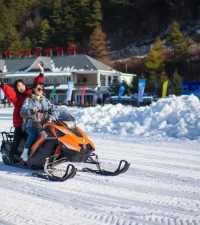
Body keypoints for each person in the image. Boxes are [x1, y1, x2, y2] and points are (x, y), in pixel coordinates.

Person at [0, 64, 45, 163]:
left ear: (25, 85)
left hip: (33, 120)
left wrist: (41, 73)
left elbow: (37, 85)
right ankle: (11, 156)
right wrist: (2, 84)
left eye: (21, 85)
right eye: (18, 86)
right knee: (18, 138)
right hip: (20, 122)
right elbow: (9, 92)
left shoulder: (30, 93)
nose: (20, 87)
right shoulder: (17, 98)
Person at [20, 82, 53, 162]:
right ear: (34, 89)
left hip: (43, 124)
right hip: (31, 124)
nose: (40, 90)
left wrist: (53, 114)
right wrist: (31, 110)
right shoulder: (29, 100)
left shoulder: (45, 100)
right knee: (33, 134)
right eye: (39, 89)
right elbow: (22, 112)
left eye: (42, 89)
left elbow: (53, 108)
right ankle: (25, 152)